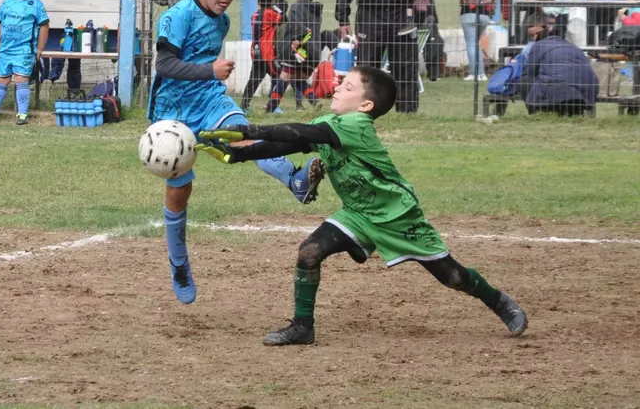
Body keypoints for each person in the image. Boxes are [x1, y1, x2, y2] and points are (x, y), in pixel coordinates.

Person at [195, 65, 529, 346]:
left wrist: (250, 130)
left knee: (453, 277)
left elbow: (297, 130)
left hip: (397, 216)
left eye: (348, 85)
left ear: (366, 105)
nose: (337, 86)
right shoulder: (331, 125)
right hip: (358, 213)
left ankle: (497, 301)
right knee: (309, 252)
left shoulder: (355, 125)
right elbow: (288, 141)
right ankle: (302, 327)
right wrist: (239, 154)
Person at [147, 0, 321, 306]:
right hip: (171, 113)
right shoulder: (176, 17)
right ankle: (179, 263)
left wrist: (210, 78)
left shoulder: (222, 20)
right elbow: (165, 65)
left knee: (244, 136)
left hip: (209, 100)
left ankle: (296, 179)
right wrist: (208, 70)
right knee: (180, 192)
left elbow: (205, 65)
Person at [0, 0, 49, 126]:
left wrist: (39, 48)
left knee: (21, 79)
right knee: (2, 80)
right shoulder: (7, 3)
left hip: (24, 51)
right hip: (5, 50)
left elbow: (44, 26)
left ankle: (22, 114)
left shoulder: (36, 4)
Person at [519, 12, 599, 116]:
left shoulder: (538, 46)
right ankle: (571, 110)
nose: (533, 39)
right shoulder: (572, 46)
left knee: (524, 79)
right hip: (588, 91)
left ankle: (537, 112)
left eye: (533, 35)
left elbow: (529, 72)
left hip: (560, 88)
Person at [270, 0, 324, 112]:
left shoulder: (296, 7)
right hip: (313, 52)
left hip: (297, 49)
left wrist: (296, 41)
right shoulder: (317, 11)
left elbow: (297, 26)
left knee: (285, 77)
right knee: (298, 78)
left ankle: (270, 108)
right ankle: (314, 100)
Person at [455, 0, 498, 81]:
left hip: (469, 12)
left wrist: (467, 1)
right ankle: (482, 74)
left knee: (471, 44)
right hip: (485, 14)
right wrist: (492, 11)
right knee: (476, 44)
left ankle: (474, 73)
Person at [239, 0, 278, 111]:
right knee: (278, 77)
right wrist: (276, 7)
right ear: (272, 1)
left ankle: (244, 105)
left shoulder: (254, 15)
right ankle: (273, 106)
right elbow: (282, 18)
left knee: (254, 80)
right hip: (267, 52)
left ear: (258, 1)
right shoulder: (270, 14)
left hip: (255, 51)